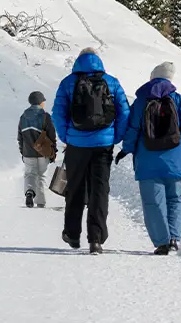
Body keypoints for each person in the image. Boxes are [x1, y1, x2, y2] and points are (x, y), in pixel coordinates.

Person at [117, 62, 181, 256]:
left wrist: (126, 149)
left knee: (152, 202)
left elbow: (132, 129)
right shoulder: (178, 99)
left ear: (152, 77)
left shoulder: (141, 101)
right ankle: (173, 238)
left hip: (147, 159)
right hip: (174, 158)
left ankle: (162, 242)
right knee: (174, 199)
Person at [52, 48, 130, 255]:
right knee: (99, 190)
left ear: (78, 61)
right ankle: (96, 239)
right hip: (103, 145)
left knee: (75, 189)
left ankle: (72, 234)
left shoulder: (68, 82)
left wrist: (66, 136)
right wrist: (115, 137)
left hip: (76, 145)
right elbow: (124, 112)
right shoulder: (111, 82)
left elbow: (57, 113)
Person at [18, 91, 57, 209]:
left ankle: (29, 192)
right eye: (43, 101)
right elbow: (52, 135)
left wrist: (22, 151)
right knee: (41, 175)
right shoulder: (45, 116)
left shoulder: (23, 117)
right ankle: (41, 202)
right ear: (40, 102)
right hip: (43, 153)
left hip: (28, 152)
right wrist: (53, 152)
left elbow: (20, 137)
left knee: (30, 174)